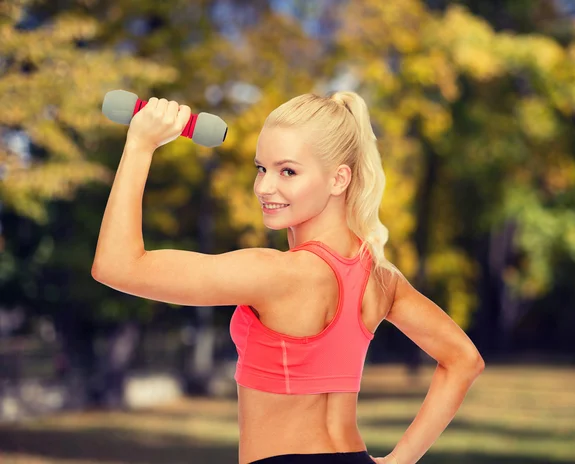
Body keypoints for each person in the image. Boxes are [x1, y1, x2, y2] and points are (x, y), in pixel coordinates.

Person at [92, 91, 485, 464]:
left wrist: (140, 145)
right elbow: (463, 360)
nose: (264, 187)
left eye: (288, 171)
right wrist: (401, 459)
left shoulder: (278, 274)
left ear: (339, 179)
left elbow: (116, 266)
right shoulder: (380, 277)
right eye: (261, 168)